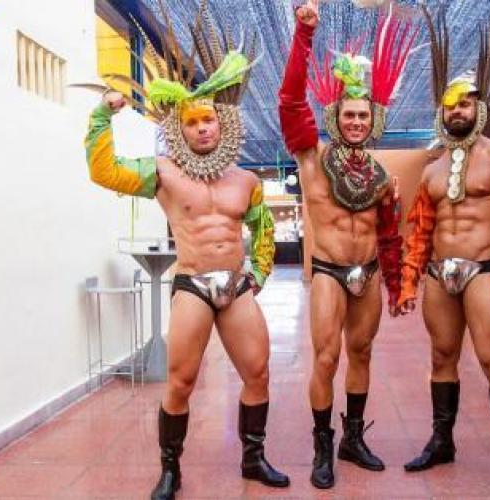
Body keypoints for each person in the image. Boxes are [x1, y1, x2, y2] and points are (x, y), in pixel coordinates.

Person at [83, 8, 289, 499]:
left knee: (258, 373)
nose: (202, 129)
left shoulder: (245, 180)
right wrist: (102, 116)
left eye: (208, 120)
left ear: (222, 124)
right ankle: (170, 470)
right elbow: (104, 172)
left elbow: (262, 228)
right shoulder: (163, 173)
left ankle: (253, 458)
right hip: (193, 284)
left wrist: (258, 273)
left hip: (236, 287)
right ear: (181, 128)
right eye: (192, 122)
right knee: (180, 382)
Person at [398, 7, 490, 499]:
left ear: (479, 108)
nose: (457, 111)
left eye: (465, 104)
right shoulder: (432, 171)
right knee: (441, 356)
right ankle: (442, 442)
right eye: (450, 106)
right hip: (440, 275)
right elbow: (421, 232)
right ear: (441, 113)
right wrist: (409, 281)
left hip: (482, 270)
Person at [278, 0, 419, 489]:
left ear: (371, 119)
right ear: (336, 117)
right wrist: (304, 35)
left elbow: (388, 233)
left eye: (363, 115)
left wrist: (398, 284)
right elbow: (289, 100)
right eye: (349, 115)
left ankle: (352, 439)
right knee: (326, 358)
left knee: (362, 353)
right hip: (330, 272)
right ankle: (323, 445)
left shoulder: (379, 174)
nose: (356, 122)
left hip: (369, 273)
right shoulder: (311, 156)